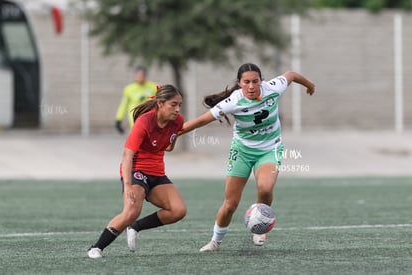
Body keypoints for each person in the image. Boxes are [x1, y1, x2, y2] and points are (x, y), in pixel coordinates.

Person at [180, 63, 315, 251]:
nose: (251, 86)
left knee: (265, 189)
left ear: (261, 81)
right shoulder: (233, 101)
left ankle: (260, 228)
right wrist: (174, 133)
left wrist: (310, 85)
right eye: (246, 82)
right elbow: (202, 120)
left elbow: (291, 75)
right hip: (242, 151)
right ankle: (215, 242)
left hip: (270, 148)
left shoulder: (272, 88)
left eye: (255, 81)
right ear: (239, 83)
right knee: (230, 204)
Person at [88, 85, 186, 259]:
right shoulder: (144, 121)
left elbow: (169, 147)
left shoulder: (177, 120)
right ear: (160, 103)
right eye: (173, 104)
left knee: (178, 210)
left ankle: (135, 227)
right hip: (136, 169)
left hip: (157, 172)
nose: (177, 109)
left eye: (180, 104)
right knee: (131, 211)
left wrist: (175, 133)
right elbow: (127, 154)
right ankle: (96, 248)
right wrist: (127, 185)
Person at [115, 65, 157, 134]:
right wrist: (119, 119)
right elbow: (123, 105)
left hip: (150, 121)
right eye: (138, 75)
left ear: (145, 76)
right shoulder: (129, 89)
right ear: (135, 76)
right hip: (135, 122)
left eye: (142, 75)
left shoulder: (153, 87)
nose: (140, 77)